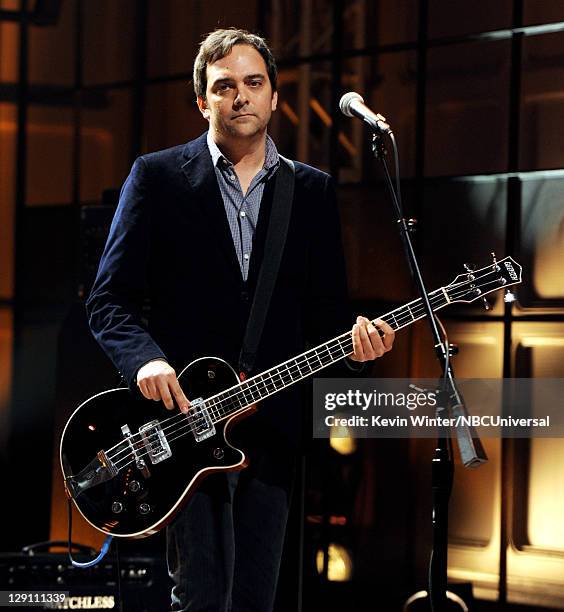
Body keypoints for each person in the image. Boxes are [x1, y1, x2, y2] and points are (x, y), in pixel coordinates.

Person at [86, 28, 395, 612]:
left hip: (272, 429)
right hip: (184, 428)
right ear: (203, 101)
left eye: (255, 83)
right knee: (201, 598)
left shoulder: (311, 190)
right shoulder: (156, 178)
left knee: (256, 598)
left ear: (276, 96)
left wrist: (358, 340)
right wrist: (145, 359)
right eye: (225, 87)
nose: (242, 97)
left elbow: (327, 313)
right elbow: (109, 300)